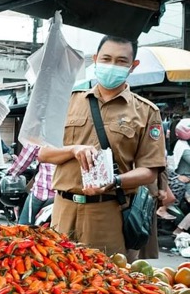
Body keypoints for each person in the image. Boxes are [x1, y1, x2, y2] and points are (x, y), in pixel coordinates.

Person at [38, 35, 166, 256]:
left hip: (109, 213)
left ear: (132, 66)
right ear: (95, 59)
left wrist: (114, 181)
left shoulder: (146, 111)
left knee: (103, 282)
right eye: (106, 58)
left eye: (121, 61)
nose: (112, 65)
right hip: (63, 209)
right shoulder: (68, 101)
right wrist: (73, 149)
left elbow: (149, 171)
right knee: (56, 281)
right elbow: (43, 153)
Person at [6, 143, 56, 225]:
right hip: (65, 195)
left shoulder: (39, 137)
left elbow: (21, 163)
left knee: (24, 227)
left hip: (43, 193)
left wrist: (11, 173)